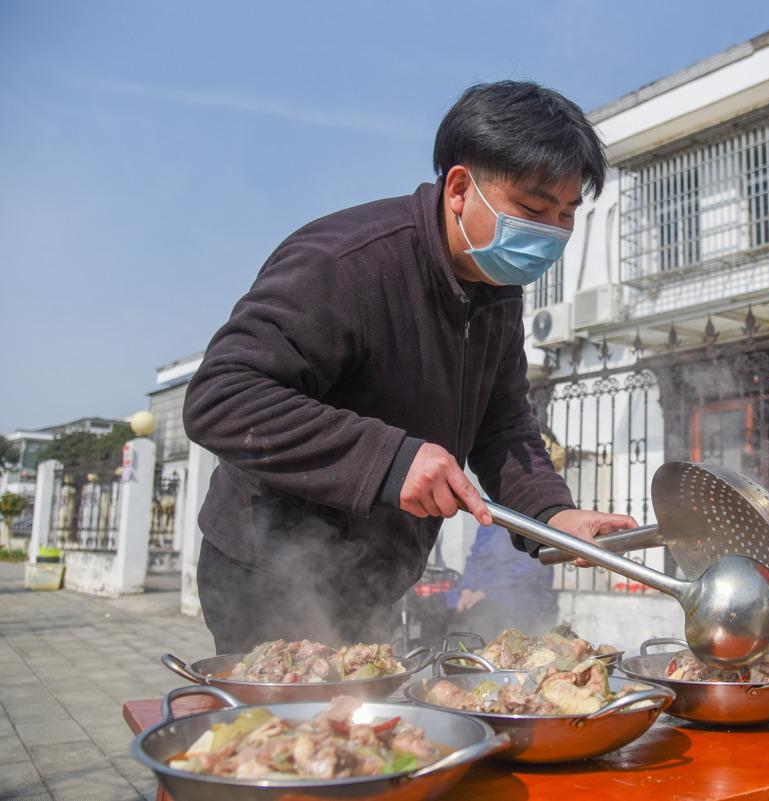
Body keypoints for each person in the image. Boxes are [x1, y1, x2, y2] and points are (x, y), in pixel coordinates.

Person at [183, 81, 635, 654]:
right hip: (269, 570)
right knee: (289, 732)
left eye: (567, 215)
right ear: (459, 187)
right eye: (533, 208)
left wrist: (552, 514)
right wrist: (393, 461)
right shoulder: (345, 261)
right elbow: (222, 397)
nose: (550, 234)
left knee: (365, 724)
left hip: (374, 576)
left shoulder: (497, 291)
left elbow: (504, 426)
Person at [446, 522, 558, 641]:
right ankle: (434, 654)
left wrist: (485, 592)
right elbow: (474, 559)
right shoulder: (488, 523)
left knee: (485, 613)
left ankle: (485, 656)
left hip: (520, 596)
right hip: (479, 592)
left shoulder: (529, 524)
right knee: (434, 606)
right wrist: (466, 589)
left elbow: (527, 569)